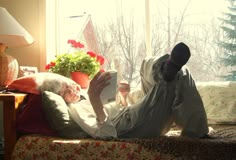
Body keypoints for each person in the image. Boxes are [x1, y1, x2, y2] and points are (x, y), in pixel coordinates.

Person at [64, 42, 209, 139]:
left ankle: (165, 68)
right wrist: (94, 100)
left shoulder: (85, 96)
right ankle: (196, 129)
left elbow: (119, 114)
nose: (72, 89)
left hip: (135, 118)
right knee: (177, 75)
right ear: (62, 97)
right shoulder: (76, 109)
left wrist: (123, 97)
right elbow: (108, 134)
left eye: (71, 85)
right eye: (65, 90)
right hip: (134, 124)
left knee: (146, 65)